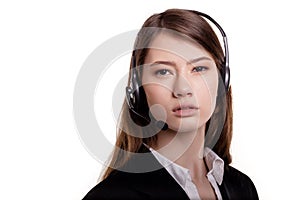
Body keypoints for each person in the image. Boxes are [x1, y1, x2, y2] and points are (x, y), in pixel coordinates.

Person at [83, 8, 259, 200]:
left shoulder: (243, 188)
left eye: (199, 68)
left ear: (222, 80)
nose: (183, 89)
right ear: (138, 89)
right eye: (163, 72)